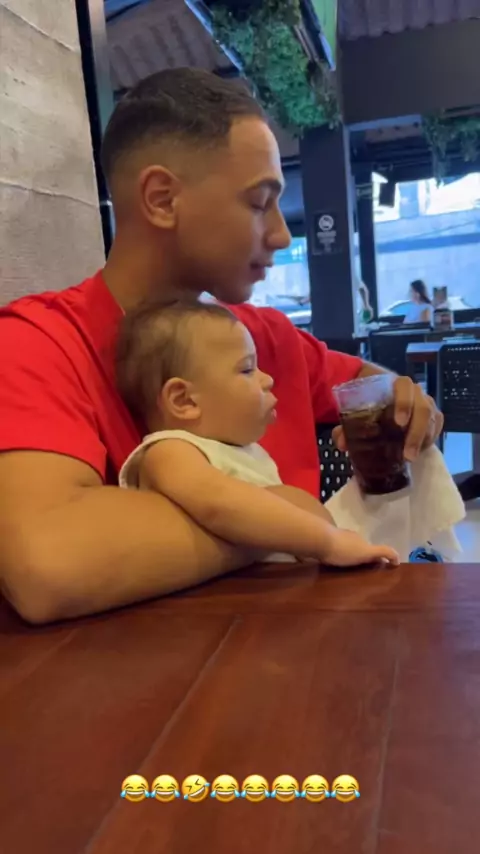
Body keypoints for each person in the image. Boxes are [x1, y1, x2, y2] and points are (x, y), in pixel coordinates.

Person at [0, 69, 442, 624]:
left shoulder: (267, 337)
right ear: (162, 199)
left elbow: (364, 380)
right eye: (259, 203)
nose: (282, 234)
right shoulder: (37, 344)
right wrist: (290, 519)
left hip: (306, 647)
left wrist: (403, 398)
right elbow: (50, 565)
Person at [116, 299, 399, 567]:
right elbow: (219, 504)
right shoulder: (168, 451)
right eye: (247, 369)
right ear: (184, 400)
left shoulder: (234, 450)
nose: (268, 379)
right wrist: (327, 542)